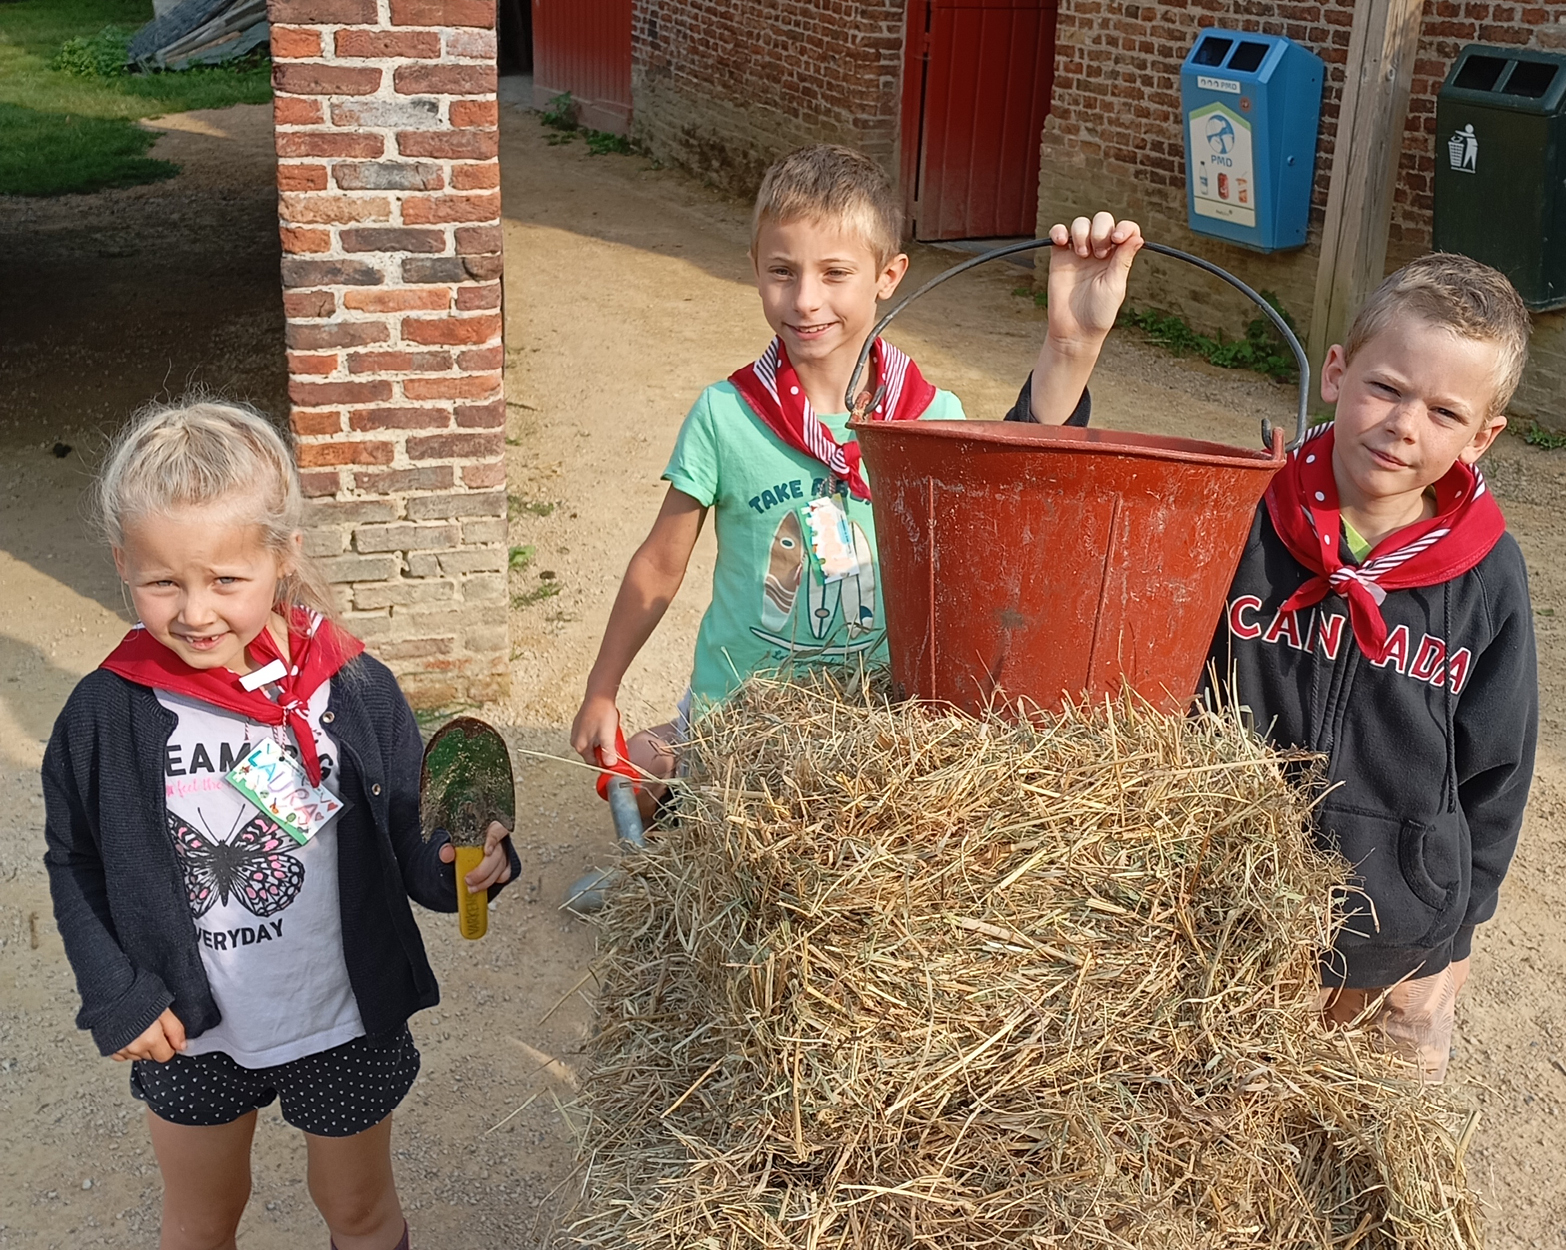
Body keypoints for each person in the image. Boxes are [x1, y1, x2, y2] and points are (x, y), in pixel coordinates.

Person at [42, 401, 520, 1250]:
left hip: (338, 1017)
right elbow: (74, 857)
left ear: (283, 555)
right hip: (191, 1030)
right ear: (123, 563)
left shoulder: (353, 685)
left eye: (226, 580)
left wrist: (462, 865)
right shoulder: (106, 713)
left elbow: (412, 829)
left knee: (360, 1214)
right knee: (200, 1224)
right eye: (163, 583)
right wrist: (118, 993)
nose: (196, 613)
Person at [570, 143, 1144, 808]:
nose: (805, 300)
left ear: (887, 275)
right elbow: (659, 564)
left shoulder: (929, 417)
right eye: (782, 271)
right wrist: (602, 688)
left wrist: (1071, 346)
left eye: (835, 273)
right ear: (754, 267)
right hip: (741, 722)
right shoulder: (726, 413)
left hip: (875, 727)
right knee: (637, 774)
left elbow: (1019, 499)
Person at [1203, 253, 1538, 1081]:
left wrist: (1456, 936)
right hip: (1224, 920)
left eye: (1444, 411)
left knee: (1367, 1130)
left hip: (1396, 939)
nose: (1403, 426)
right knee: (1220, 1115)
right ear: (1335, 372)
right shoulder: (1243, 515)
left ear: (1481, 437)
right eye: (1385, 388)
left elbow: (1497, 767)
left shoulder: (1487, 574)